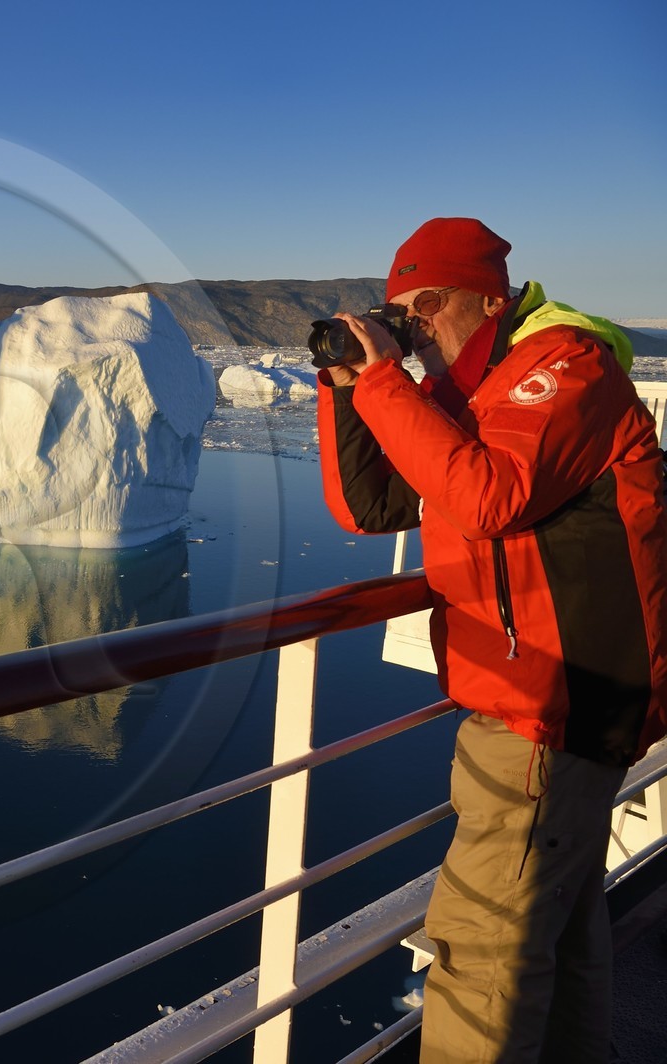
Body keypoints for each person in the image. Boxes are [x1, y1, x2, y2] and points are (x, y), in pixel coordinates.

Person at [316, 217, 667, 1062]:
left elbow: (486, 497)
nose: (415, 325)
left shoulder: (566, 370)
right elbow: (373, 507)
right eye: (402, 312)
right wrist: (346, 388)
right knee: (559, 930)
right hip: (544, 700)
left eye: (428, 305)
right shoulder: (474, 392)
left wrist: (388, 383)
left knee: (480, 948)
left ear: (488, 299)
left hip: (555, 705)